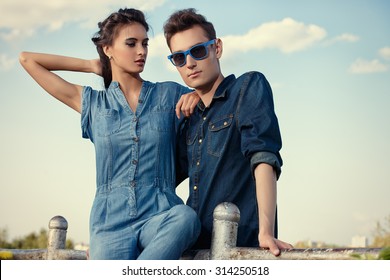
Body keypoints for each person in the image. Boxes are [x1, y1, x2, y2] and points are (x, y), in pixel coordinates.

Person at [19, 8, 201, 260]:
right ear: (108, 49)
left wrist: (197, 94)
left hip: (161, 214)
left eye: (145, 43)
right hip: (110, 224)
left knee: (187, 218)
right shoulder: (93, 104)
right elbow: (28, 60)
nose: (142, 51)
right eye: (131, 43)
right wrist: (92, 66)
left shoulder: (170, 95)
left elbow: (212, 99)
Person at [164, 8, 293, 256]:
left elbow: (263, 156)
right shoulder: (188, 118)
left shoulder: (247, 87)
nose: (189, 62)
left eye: (198, 51)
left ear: (217, 48)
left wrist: (266, 231)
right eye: (179, 58)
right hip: (195, 250)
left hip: (241, 247)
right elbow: (160, 180)